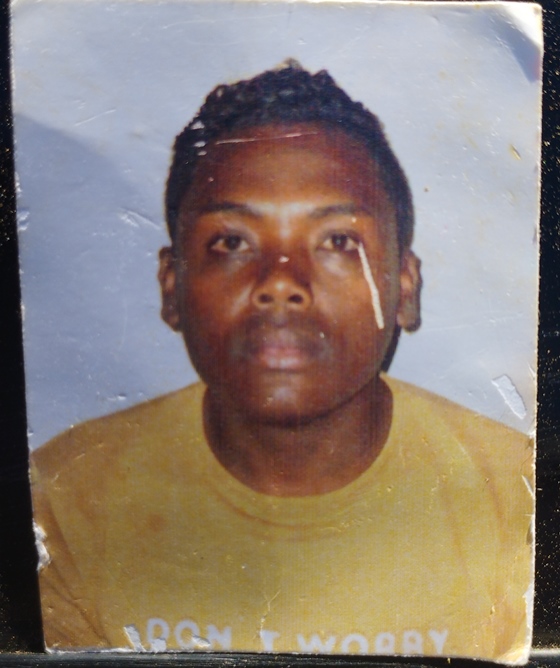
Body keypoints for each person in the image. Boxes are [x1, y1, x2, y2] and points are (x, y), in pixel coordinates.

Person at [30, 63, 534, 661]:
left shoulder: (519, 500)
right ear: (172, 286)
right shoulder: (65, 501)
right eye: (232, 242)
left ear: (404, 287)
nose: (280, 283)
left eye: (338, 241)